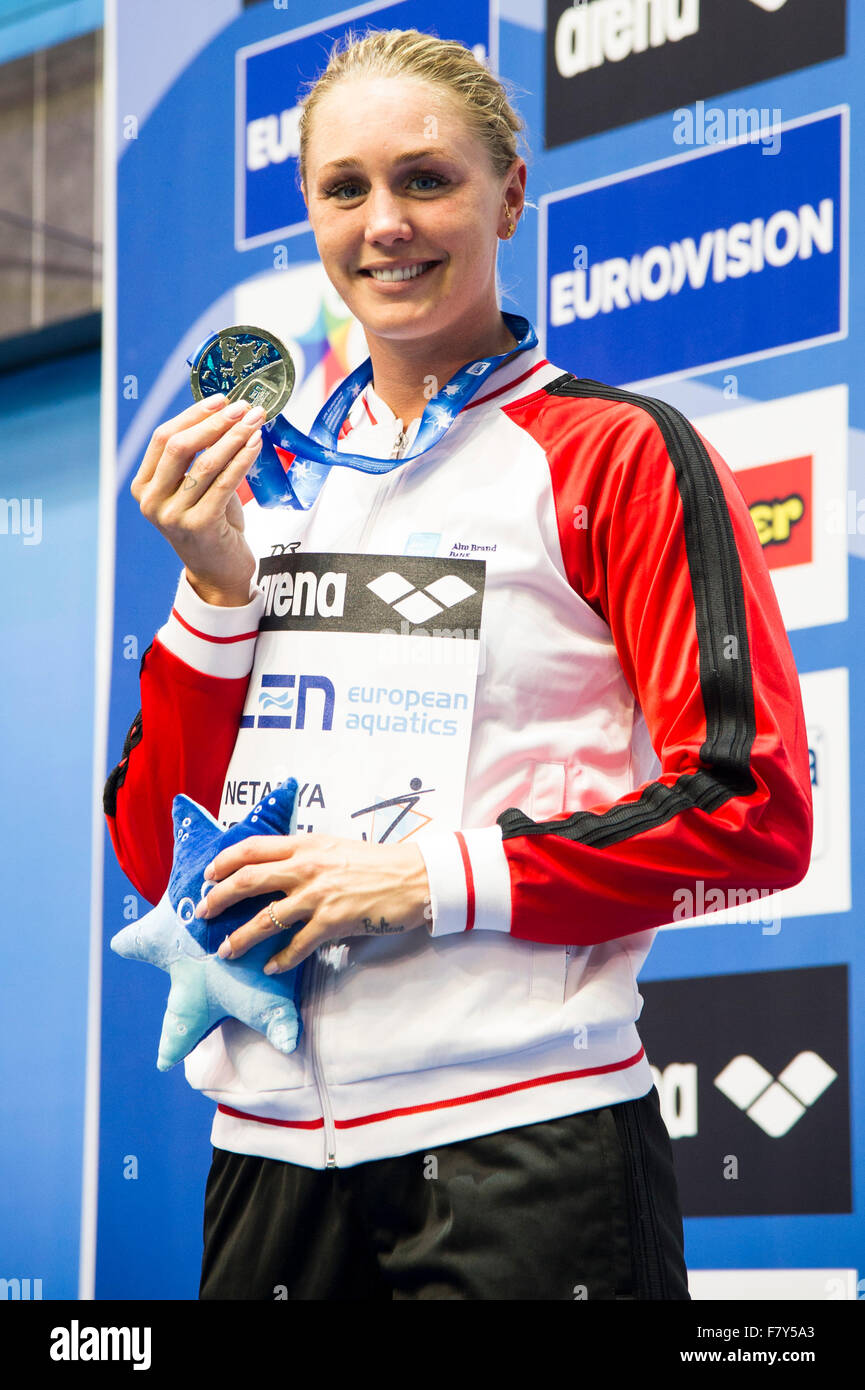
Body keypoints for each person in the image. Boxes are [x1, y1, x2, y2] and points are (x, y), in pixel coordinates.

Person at [104, 27, 813, 1301]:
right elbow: (165, 864)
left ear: (511, 195)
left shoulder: (615, 454)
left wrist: (422, 880)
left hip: (522, 1145)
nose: (386, 224)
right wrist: (214, 588)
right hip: (264, 1160)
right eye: (345, 189)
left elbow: (752, 807)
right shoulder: (268, 483)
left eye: (427, 180)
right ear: (310, 213)